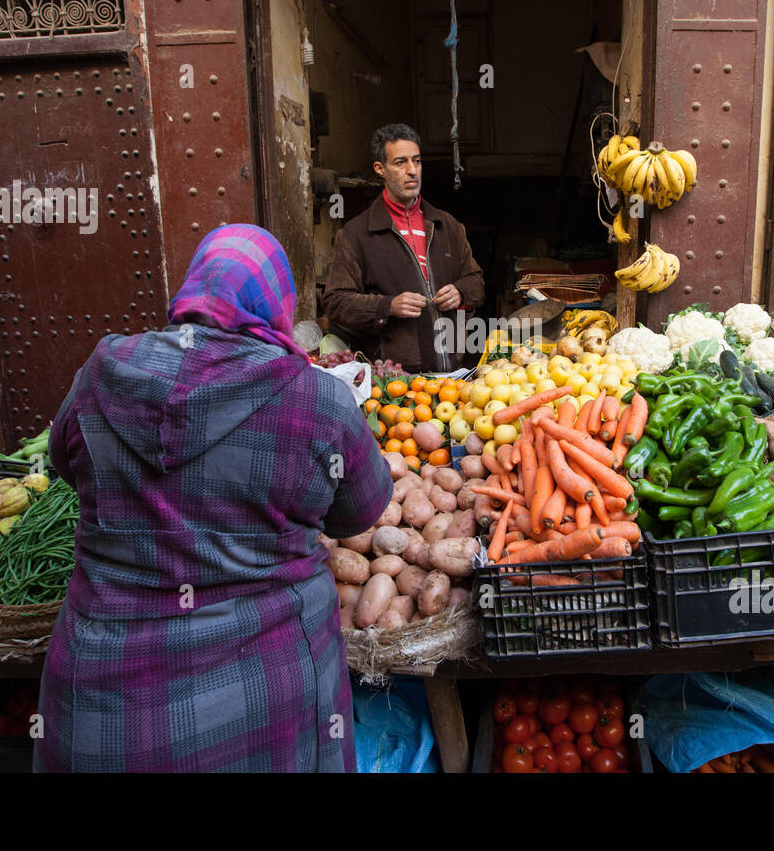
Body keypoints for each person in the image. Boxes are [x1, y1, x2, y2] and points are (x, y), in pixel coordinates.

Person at [34, 224, 391, 772]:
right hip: (268, 691)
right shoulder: (317, 399)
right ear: (277, 303)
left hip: (107, 698)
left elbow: (63, 464)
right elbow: (361, 511)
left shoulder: (103, 372)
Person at [323, 123, 485, 374]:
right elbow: (336, 302)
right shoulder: (356, 235)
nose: (412, 171)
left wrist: (461, 292)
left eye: (417, 161)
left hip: (452, 375)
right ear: (380, 169)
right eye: (400, 163)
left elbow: (476, 281)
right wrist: (387, 306)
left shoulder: (447, 225)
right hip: (394, 381)